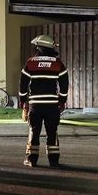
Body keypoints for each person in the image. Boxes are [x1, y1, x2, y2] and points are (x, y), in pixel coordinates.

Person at [18, 35, 69, 167]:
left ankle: (31, 160)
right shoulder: (58, 63)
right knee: (52, 132)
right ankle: (53, 161)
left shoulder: (31, 62)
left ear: (39, 47)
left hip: (35, 105)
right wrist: (62, 101)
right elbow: (64, 83)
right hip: (52, 106)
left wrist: (23, 101)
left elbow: (23, 83)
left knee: (34, 131)